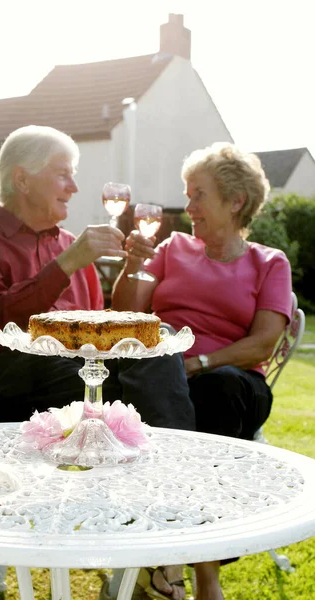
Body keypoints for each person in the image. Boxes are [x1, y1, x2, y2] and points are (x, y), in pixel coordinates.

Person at [112, 142, 292, 600]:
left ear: (235, 201)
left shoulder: (269, 262)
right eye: (187, 195)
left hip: (232, 381)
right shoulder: (172, 248)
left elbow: (264, 341)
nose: (188, 207)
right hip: (159, 379)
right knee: (159, 340)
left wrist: (197, 362)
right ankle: (200, 566)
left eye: (198, 196)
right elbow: (126, 315)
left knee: (219, 390)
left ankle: (173, 556)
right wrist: (134, 263)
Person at [0, 125, 195, 436]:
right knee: (110, 382)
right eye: (63, 174)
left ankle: (170, 457)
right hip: (4, 381)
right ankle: (165, 458)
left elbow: (101, 327)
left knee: (160, 340)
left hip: (78, 367)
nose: (74, 187)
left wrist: (132, 266)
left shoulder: (71, 243)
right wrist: (67, 263)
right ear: (22, 179)